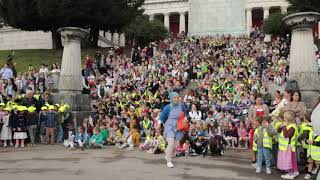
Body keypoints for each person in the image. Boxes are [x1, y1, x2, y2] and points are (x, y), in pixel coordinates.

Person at [159, 92, 188, 168]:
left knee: (175, 146)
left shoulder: (181, 105)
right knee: (171, 143)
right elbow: (162, 116)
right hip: (169, 126)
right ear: (171, 99)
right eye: (174, 98)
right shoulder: (167, 107)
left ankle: (167, 152)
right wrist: (158, 124)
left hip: (179, 126)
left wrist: (185, 118)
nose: (176, 99)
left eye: (177, 97)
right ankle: (169, 161)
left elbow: (185, 113)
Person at [277, 111, 299, 179]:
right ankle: (294, 172)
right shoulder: (287, 125)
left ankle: (291, 173)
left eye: (284, 117)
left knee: (290, 161)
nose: (283, 118)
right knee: (288, 160)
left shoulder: (292, 127)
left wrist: (283, 127)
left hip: (289, 147)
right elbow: (278, 131)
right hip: (284, 147)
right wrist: (280, 127)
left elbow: (286, 135)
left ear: (287, 118)